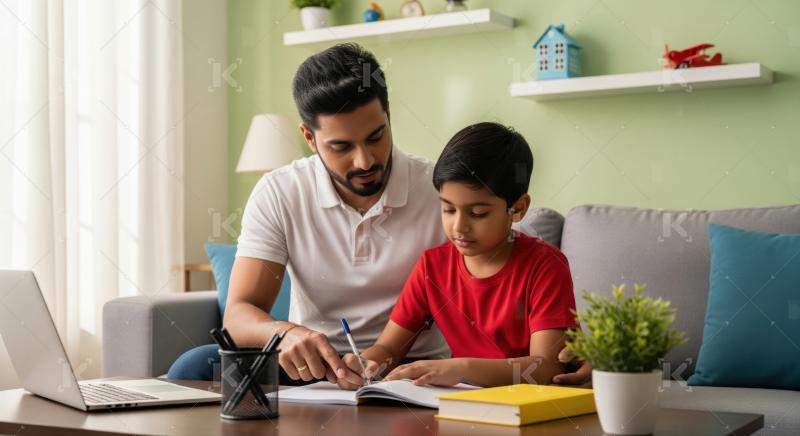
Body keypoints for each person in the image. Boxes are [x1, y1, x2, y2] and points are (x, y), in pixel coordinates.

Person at [167, 43, 592, 388]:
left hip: (423, 368)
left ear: (388, 114)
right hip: (320, 365)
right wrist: (287, 334)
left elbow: (515, 271)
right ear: (309, 138)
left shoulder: (440, 189)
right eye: (341, 147)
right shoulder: (280, 192)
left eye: (376, 136)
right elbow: (239, 313)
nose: (365, 159)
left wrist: (585, 357)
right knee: (196, 367)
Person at [337, 122, 579, 389]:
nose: (459, 227)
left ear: (518, 208)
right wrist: (366, 364)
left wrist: (460, 367)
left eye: (477, 213)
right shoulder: (433, 265)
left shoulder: (545, 265)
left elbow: (545, 368)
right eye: (448, 210)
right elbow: (389, 347)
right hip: (458, 405)